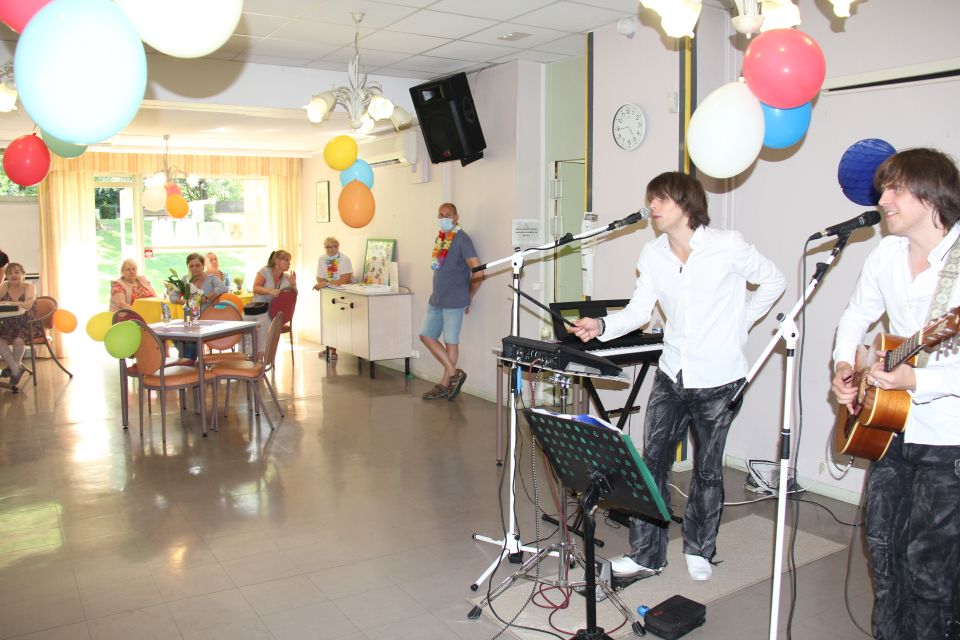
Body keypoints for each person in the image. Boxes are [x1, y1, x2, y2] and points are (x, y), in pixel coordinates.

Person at [572, 171, 786, 581]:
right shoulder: (653, 254)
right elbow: (639, 311)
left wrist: (741, 321)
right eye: (651, 199)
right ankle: (646, 555)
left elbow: (773, 280)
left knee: (708, 467)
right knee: (650, 462)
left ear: (686, 204)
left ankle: (700, 547)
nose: (652, 207)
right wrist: (601, 327)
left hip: (720, 379)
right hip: (672, 373)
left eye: (661, 199)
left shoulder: (726, 245)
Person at [830, 148, 960, 640]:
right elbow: (854, 316)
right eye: (884, 189)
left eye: (895, 189)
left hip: (949, 441)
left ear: (932, 197)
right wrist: (846, 365)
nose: (883, 199)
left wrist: (916, 381)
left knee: (932, 573)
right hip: (890, 428)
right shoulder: (884, 253)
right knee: (882, 555)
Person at [419, 202, 482, 401]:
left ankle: (445, 384)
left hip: (454, 300)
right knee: (426, 336)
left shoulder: (463, 239)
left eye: (448, 215)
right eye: (441, 214)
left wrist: (469, 296)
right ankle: (455, 374)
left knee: (450, 343)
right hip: (436, 298)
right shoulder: (441, 238)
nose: (444, 218)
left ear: (456, 218)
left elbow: (479, 271)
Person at [172, 253, 229, 361]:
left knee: (189, 343)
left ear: (203, 266)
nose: (194, 268)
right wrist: (186, 302)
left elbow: (223, 288)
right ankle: (190, 365)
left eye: (197, 265)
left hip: (208, 320)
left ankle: (189, 366)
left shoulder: (211, 278)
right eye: (191, 266)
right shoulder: (185, 279)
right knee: (176, 337)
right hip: (189, 319)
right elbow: (172, 296)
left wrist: (206, 298)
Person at [249, 250, 297, 358]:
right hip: (258, 306)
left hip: (274, 311)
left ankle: (260, 357)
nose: (289, 263)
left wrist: (293, 284)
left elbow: (293, 296)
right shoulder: (264, 271)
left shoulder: (286, 278)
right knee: (245, 323)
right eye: (286, 260)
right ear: (277, 261)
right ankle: (247, 355)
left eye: (290, 261)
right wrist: (269, 291)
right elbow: (255, 288)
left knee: (264, 323)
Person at [0, 262, 40, 388]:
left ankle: (13, 368)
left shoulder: (30, 287)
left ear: (23, 274)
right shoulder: (5, 286)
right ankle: (16, 369)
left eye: (17, 272)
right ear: (6, 276)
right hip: (7, 323)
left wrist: (8, 303)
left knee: (18, 341)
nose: (13, 275)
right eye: (10, 273)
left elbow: (28, 305)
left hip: (26, 323)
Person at [313, 237, 353, 361]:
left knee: (338, 322)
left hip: (341, 294)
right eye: (328, 247)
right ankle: (329, 348)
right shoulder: (321, 259)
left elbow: (345, 279)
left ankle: (334, 350)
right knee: (328, 322)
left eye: (334, 246)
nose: (332, 249)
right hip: (327, 294)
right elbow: (319, 278)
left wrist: (326, 284)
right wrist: (325, 284)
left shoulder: (344, 259)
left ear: (338, 246)